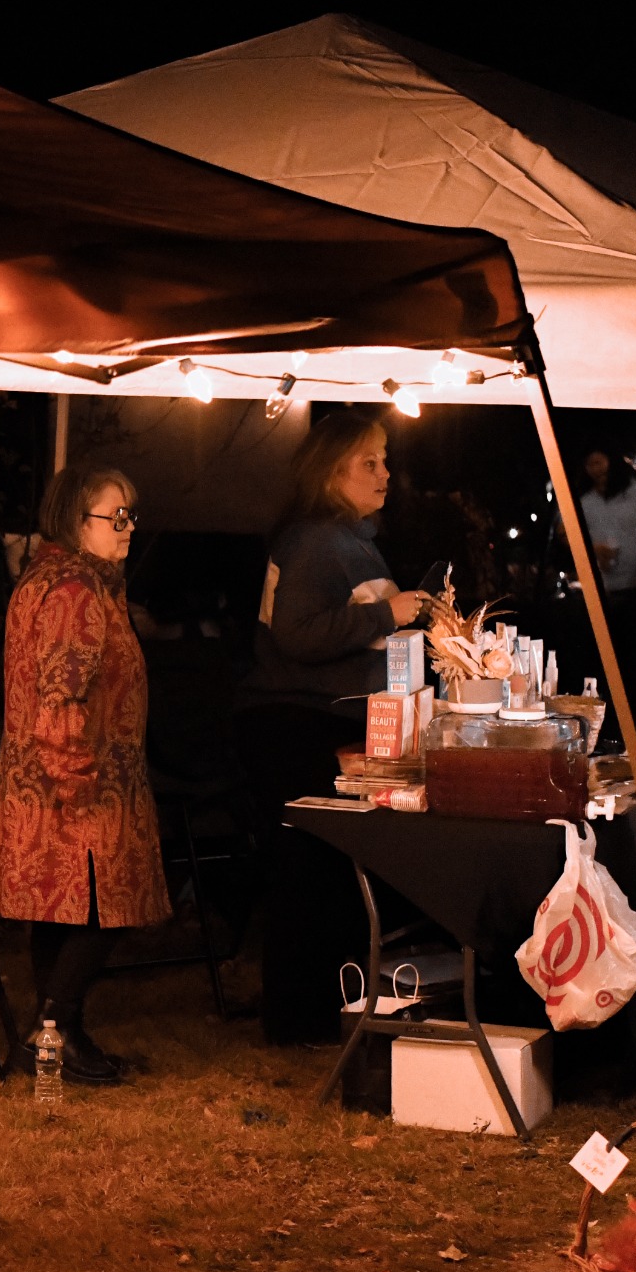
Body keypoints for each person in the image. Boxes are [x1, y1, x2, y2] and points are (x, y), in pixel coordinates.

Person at [233, 408, 430, 1043]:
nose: (385, 473)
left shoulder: (349, 539)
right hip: (298, 726)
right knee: (309, 869)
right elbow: (296, 635)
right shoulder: (317, 541)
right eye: (368, 462)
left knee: (325, 870)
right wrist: (387, 616)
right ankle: (300, 1018)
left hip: (321, 722)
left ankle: (327, 1009)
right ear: (330, 472)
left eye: (385, 460)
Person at [0, 466, 166, 1085]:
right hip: (76, 786)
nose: (129, 527)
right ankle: (47, 1032)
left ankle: (62, 1037)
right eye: (116, 517)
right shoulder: (74, 591)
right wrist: (80, 783)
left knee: (60, 913)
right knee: (100, 910)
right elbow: (63, 695)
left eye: (130, 515)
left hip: (43, 785)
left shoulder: (52, 579)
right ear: (75, 520)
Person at [577, 448, 636, 689]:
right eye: (590, 464)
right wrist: (594, 549)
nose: (596, 469)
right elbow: (566, 532)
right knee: (604, 658)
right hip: (601, 590)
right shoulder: (585, 498)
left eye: (600, 462)